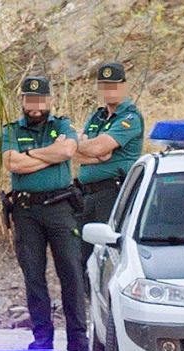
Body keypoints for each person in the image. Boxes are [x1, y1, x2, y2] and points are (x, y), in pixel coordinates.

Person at [1, 75, 88, 351]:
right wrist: (47, 155)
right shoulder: (12, 129)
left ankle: (77, 336)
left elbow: (67, 150)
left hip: (60, 207)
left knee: (71, 271)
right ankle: (42, 337)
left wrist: (30, 154)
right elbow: (12, 163)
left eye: (40, 100)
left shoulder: (62, 124)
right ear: (22, 101)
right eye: (29, 100)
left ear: (49, 100)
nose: (35, 106)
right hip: (26, 211)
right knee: (34, 274)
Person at [74, 61, 144, 268]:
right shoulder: (97, 116)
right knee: (81, 254)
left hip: (112, 192)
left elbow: (96, 147)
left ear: (123, 85)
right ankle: (86, 299)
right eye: (104, 85)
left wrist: (85, 146)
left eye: (113, 85)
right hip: (87, 194)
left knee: (106, 254)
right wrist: (94, 152)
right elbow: (75, 154)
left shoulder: (130, 117)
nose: (109, 90)